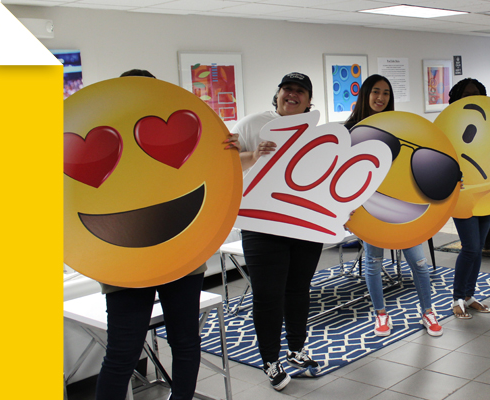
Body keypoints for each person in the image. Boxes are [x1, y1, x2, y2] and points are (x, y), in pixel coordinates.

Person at [93, 69, 242, 400]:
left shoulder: (178, 136)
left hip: (180, 254)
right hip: (125, 261)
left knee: (185, 342)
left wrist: (227, 152)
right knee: (123, 351)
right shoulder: (103, 138)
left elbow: (215, 177)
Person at [232, 72, 321, 391]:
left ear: (310, 101)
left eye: (300, 91)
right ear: (278, 94)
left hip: (303, 222)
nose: (292, 95)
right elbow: (223, 160)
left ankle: (297, 349)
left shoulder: (318, 132)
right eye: (287, 89)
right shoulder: (252, 124)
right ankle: (270, 360)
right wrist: (255, 156)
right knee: (268, 295)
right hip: (261, 223)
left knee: (298, 289)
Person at [344, 74, 443, 338]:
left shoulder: (397, 125)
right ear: (365, 94)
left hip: (400, 204)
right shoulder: (349, 130)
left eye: (386, 93)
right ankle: (381, 315)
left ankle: (428, 312)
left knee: (419, 263)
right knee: (374, 262)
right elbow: (339, 174)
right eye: (375, 92)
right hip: (367, 207)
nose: (380, 98)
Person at [446, 78, 490, 320]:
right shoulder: (450, 125)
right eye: (466, 94)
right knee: (471, 247)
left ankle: (469, 296)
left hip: (486, 193)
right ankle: (457, 298)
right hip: (463, 193)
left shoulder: (488, 124)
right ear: (456, 98)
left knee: (477, 251)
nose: (471, 98)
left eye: (476, 94)